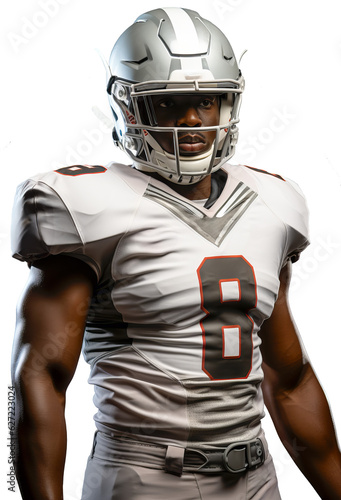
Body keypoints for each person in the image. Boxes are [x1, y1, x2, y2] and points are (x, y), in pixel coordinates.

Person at [10, 7, 341, 500]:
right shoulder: (83, 204)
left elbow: (288, 377)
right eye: (169, 103)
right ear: (127, 108)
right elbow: (38, 377)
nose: (191, 119)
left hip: (256, 475)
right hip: (144, 477)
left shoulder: (272, 205)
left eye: (206, 101)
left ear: (228, 105)